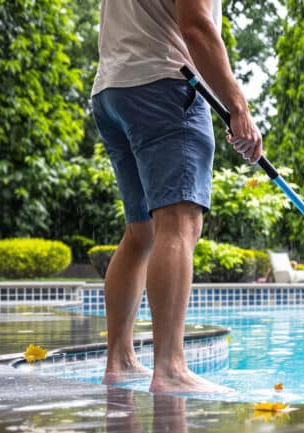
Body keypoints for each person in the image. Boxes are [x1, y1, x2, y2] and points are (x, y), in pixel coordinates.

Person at [91, 0, 261, 392]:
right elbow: (197, 27)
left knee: (142, 233)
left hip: (112, 89)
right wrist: (239, 106)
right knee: (179, 225)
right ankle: (169, 367)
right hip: (166, 85)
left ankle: (119, 361)